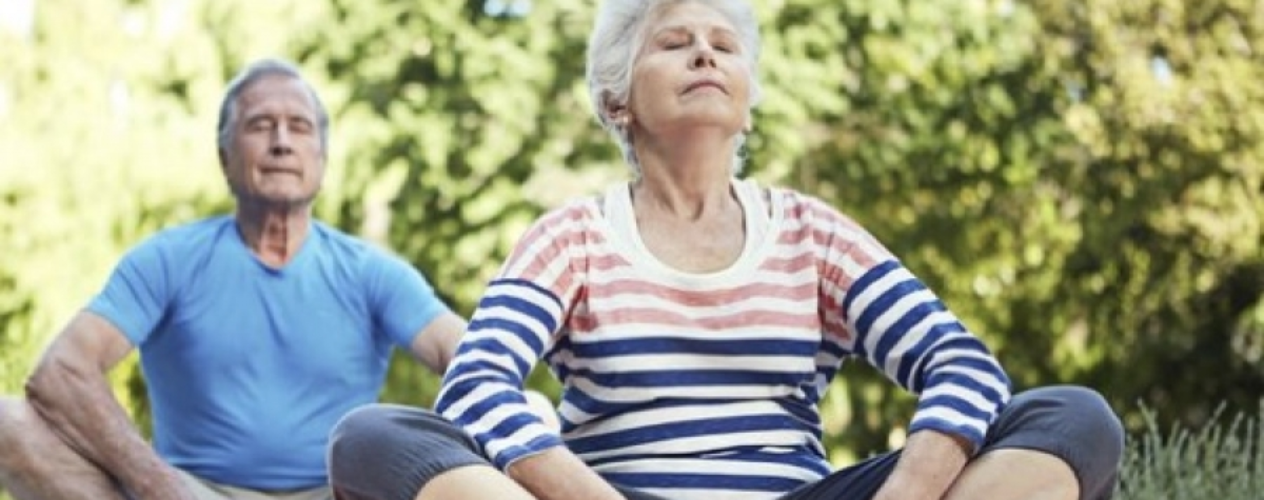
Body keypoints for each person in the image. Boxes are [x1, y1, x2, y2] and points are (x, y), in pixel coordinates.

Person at [325, 1, 1126, 499]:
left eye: (723, 44)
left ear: (747, 98)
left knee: (1072, 422)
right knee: (372, 440)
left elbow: (962, 365)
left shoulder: (813, 233)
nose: (707, 52)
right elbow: (474, 385)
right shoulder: (568, 238)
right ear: (617, 98)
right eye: (674, 41)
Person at [0, 58, 470, 500]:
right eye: (260, 126)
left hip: (338, 494)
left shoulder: (372, 272)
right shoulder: (169, 260)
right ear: (225, 157)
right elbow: (60, 372)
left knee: (517, 413)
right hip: (190, 492)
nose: (281, 141)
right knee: (7, 424)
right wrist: (156, 484)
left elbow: (473, 357)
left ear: (320, 161)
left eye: (299, 127)